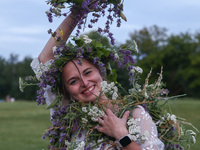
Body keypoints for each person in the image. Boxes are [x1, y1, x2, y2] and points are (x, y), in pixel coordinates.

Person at [31, 11, 164, 150]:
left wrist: (121, 134)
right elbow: (45, 58)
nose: (84, 82)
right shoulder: (68, 117)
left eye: (88, 72)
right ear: (66, 91)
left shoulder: (133, 114)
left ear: (101, 71)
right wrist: (79, 9)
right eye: (73, 81)